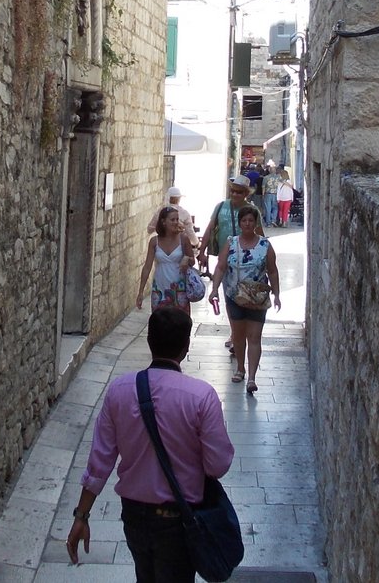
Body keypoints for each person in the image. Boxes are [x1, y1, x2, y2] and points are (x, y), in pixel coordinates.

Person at [66, 307, 235, 580]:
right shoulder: (201, 397)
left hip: (134, 516)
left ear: (148, 341)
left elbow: (100, 462)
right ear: (186, 346)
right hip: (179, 520)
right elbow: (218, 465)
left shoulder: (119, 391)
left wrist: (81, 516)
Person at [210, 205, 281, 394]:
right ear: (240, 223)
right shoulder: (231, 243)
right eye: (244, 220)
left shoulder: (265, 245)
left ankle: (252, 378)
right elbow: (221, 266)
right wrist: (215, 289)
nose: (247, 224)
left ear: (255, 223)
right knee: (239, 335)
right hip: (235, 296)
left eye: (251, 220)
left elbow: (272, 270)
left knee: (255, 337)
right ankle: (240, 368)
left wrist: (277, 294)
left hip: (257, 298)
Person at [197, 175, 264, 273]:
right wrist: (202, 252)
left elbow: (260, 235)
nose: (234, 194)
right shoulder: (220, 206)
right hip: (223, 257)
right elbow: (210, 229)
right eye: (232, 191)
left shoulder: (252, 210)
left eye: (239, 192)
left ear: (246, 193)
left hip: (245, 258)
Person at [136, 206, 196, 312]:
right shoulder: (154, 242)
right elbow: (147, 267)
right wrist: (141, 291)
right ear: (163, 222)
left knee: (180, 319)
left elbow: (192, 261)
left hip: (179, 288)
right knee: (159, 319)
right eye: (172, 220)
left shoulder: (183, 239)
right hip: (160, 287)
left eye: (177, 219)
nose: (176, 222)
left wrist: (187, 258)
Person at [146, 186, 199, 251]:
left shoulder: (161, 211)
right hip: (178, 247)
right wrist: (197, 243)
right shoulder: (185, 213)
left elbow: (150, 229)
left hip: (162, 246)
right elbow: (190, 233)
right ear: (178, 199)